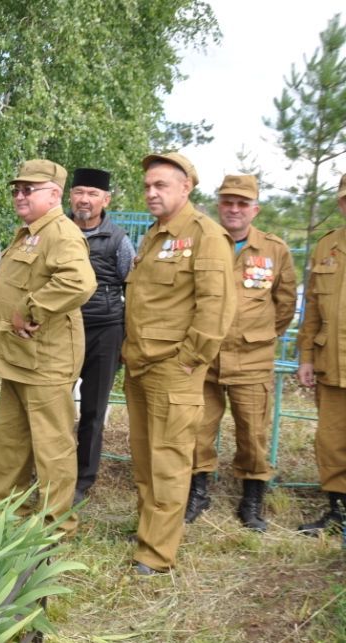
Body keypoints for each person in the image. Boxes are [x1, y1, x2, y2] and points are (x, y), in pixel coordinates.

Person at [123, 152, 235, 574]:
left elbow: (215, 307)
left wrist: (191, 360)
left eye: (161, 186)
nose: (151, 193)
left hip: (174, 367)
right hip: (140, 363)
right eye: (148, 186)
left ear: (186, 188)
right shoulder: (156, 235)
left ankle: (156, 554)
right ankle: (149, 529)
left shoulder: (206, 235)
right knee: (145, 455)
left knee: (168, 459)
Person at [0, 160, 97, 536]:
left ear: (54, 194)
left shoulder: (61, 233)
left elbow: (79, 282)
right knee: (10, 440)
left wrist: (32, 308)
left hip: (45, 359)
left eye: (28, 189)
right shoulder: (30, 232)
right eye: (16, 189)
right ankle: (6, 514)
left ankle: (56, 527)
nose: (19, 195)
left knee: (52, 446)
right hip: (18, 357)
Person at [188, 175, 296, 531]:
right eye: (227, 202)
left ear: (255, 209)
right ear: (219, 205)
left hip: (252, 358)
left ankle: (252, 499)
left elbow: (285, 303)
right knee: (198, 429)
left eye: (242, 204)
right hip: (206, 355)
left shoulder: (273, 249)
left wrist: (258, 335)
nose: (234, 209)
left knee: (253, 433)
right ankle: (197, 492)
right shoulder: (204, 241)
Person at [68, 168, 135, 503]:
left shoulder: (119, 239)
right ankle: (53, 468)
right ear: (70, 196)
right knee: (51, 405)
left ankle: (83, 478)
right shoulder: (58, 230)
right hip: (63, 330)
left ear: (106, 200)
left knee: (94, 409)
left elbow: (132, 286)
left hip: (105, 331)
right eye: (79, 191)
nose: (85, 199)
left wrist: (127, 338)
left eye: (93, 194)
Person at [297, 173, 346, 536]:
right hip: (332, 362)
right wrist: (306, 358)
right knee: (331, 441)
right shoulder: (326, 247)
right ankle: (338, 513)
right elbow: (312, 307)